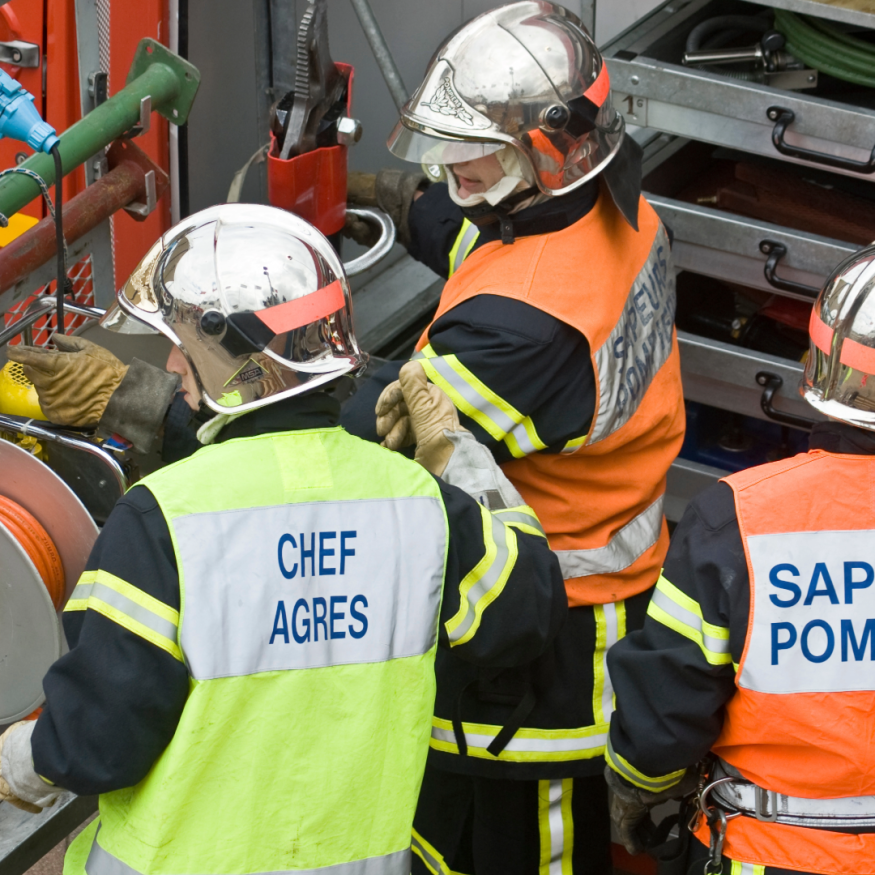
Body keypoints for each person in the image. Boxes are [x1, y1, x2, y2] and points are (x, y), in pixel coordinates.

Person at [0, 204, 567, 875]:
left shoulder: (163, 517)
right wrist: (457, 452)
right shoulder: (422, 506)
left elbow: (95, 740)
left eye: (184, 344)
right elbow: (525, 612)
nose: (174, 363)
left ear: (233, 358)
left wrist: (14, 761)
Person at [342, 4, 686, 874]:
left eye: (474, 152)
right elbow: (489, 241)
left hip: (544, 644)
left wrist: (184, 395)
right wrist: (399, 203)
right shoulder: (618, 210)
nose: (449, 167)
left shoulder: (524, 330)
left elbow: (376, 430)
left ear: (546, 151)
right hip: (603, 580)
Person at [605, 244, 875, 875]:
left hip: (769, 850)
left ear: (818, 363)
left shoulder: (738, 516)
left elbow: (669, 703)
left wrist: (636, 786)